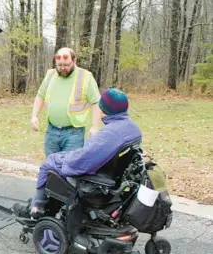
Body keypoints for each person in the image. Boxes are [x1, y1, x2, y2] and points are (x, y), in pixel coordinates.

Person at [14, 88, 142, 218]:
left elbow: (80, 162)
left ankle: (36, 209)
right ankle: (38, 203)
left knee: (49, 163)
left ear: (105, 110)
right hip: (111, 176)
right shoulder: (132, 128)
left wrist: (64, 161)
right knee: (62, 158)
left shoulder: (108, 135)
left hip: (95, 182)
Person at [31, 47, 102, 156]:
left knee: (68, 167)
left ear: (74, 61)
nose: (63, 68)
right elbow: (40, 96)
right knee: (51, 166)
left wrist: (95, 126)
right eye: (59, 65)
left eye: (67, 65)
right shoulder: (50, 75)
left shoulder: (85, 76)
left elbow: (96, 102)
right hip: (52, 131)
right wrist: (34, 116)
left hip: (74, 133)